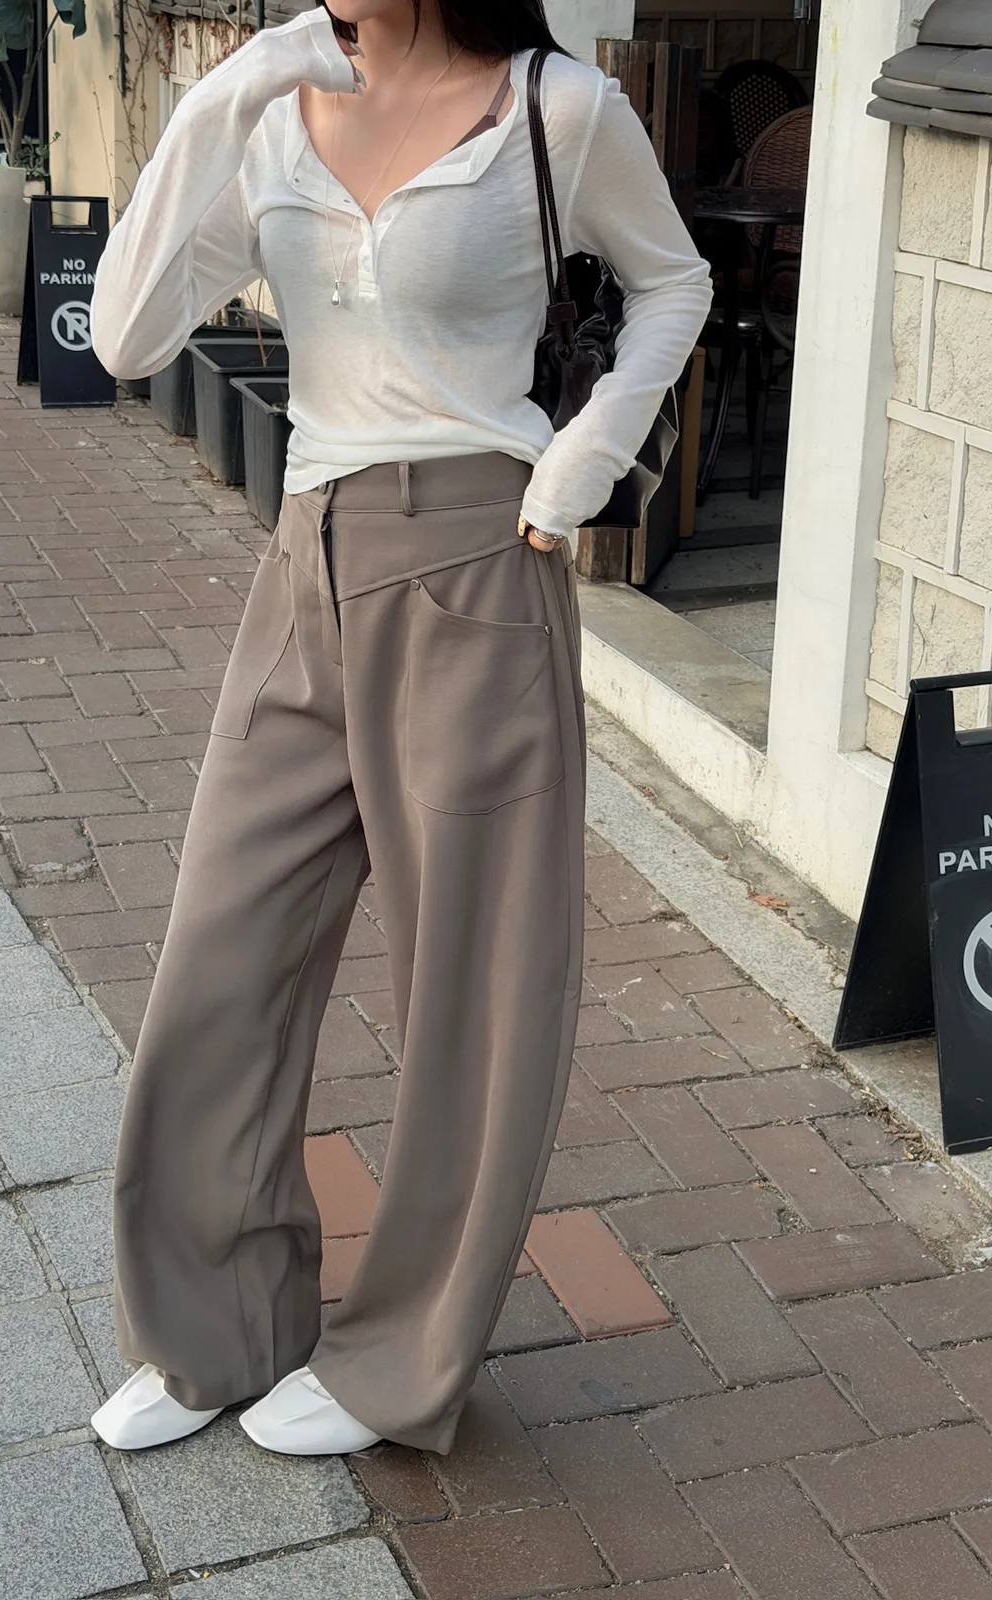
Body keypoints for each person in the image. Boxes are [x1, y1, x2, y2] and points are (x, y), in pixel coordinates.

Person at [88, 0, 710, 1459]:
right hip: (304, 560)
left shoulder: (554, 110)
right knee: (222, 955)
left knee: (472, 989)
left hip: (478, 566)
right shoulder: (276, 108)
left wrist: (582, 458)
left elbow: (672, 281)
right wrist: (220, 100)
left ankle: (399, 1360)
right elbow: (123, 335)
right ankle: (215, 1328)